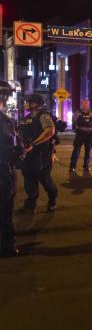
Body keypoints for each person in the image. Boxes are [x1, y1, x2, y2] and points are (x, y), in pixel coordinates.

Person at [18, 93, 58, 213]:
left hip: (41, 155)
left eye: (28, 102)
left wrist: (33, 144)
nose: (25, 104)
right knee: (29, 180)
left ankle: (52, 199)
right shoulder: (27, 118)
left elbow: (50, 131)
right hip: (29, 155)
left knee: (44, 179)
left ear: (34, 104)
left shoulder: (44, 115)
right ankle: (30, 206)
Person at [0, 82, 21, 257]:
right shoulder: (6, 122)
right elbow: (11, 147)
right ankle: (7, 245)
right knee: (5, 210)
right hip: (3, 172)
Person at [69, 98, 92, 174]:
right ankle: (72, 167)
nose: (85, 105)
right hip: (80, 133)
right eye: (83, 103)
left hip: (90, 134)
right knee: (76, 151)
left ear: (89, 104)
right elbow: (73, 120)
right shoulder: (78, 112)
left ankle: (86, 166)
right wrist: (76, 117)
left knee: (88, 151)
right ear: (81, 104)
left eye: (86, 103)